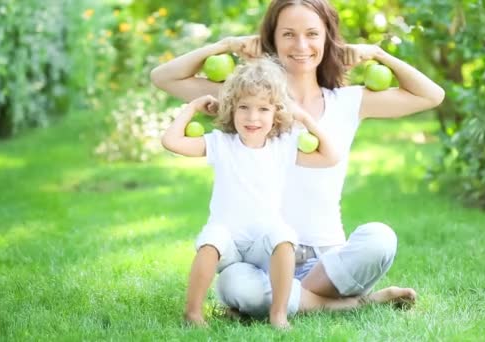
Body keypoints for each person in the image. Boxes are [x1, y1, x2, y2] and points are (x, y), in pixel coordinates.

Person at [151, 0, 444, 319]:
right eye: (288, 34)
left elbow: (431, 95)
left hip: (326, 259)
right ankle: (355, 303)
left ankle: (281, 302)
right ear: (272, 40)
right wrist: (224, 46)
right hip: (263, 256)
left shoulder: (348, 101)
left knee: (380, 239)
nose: (301, 45)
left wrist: (378, 55)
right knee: (237, 284)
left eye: (312, 34)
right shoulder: (253, 101)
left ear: (328, 40)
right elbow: (163, 77)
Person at [160, 57, 339, 328]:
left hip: (260, 243)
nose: (252, 117)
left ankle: (278, 313)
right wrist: (194, 107)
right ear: (231, 109)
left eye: (263, 109)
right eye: (243, 107)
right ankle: (193, 313)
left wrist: (304, 117)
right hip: (228, 241)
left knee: (285, 236)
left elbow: (331, 157)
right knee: (211, 240)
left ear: (277, 112)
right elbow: (171, 141)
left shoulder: (284, 145)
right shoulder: (221, 143)